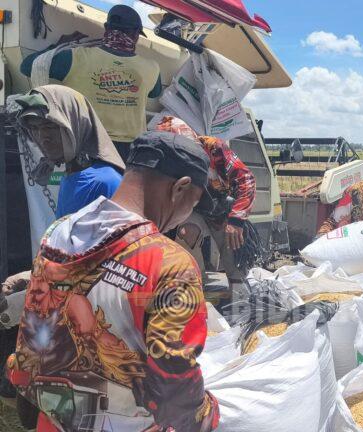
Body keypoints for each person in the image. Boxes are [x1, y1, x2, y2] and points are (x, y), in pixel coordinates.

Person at [6, 131, 220, 432]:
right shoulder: (170, 263)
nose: (186, 215)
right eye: (193, 204)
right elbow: (174, 385)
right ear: (180, 188)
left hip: (52, 420)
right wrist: (208, 414)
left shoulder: (59, 232)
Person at [20, 4, 162, 160]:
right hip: (130, 149)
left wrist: (58, 46)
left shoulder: (74, 57)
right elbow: (155, 93)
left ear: (106, 28)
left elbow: (27, 67)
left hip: (87, 144)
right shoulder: (151, 67)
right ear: (135, 34)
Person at [153, 116, 258, 298]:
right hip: (191, 210)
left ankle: (239, 293)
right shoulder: (165, 160)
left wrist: (236, 220)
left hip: (221, 209)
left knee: (232, 244)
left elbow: (246, 179)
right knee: (186, 232)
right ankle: (194, 289)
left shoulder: (214, 148)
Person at [16, 85, 125, 218]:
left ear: (76, 124)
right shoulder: (70, 175)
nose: (43, 137)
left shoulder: (105, 182)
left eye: (50, 126)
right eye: (34, 128)